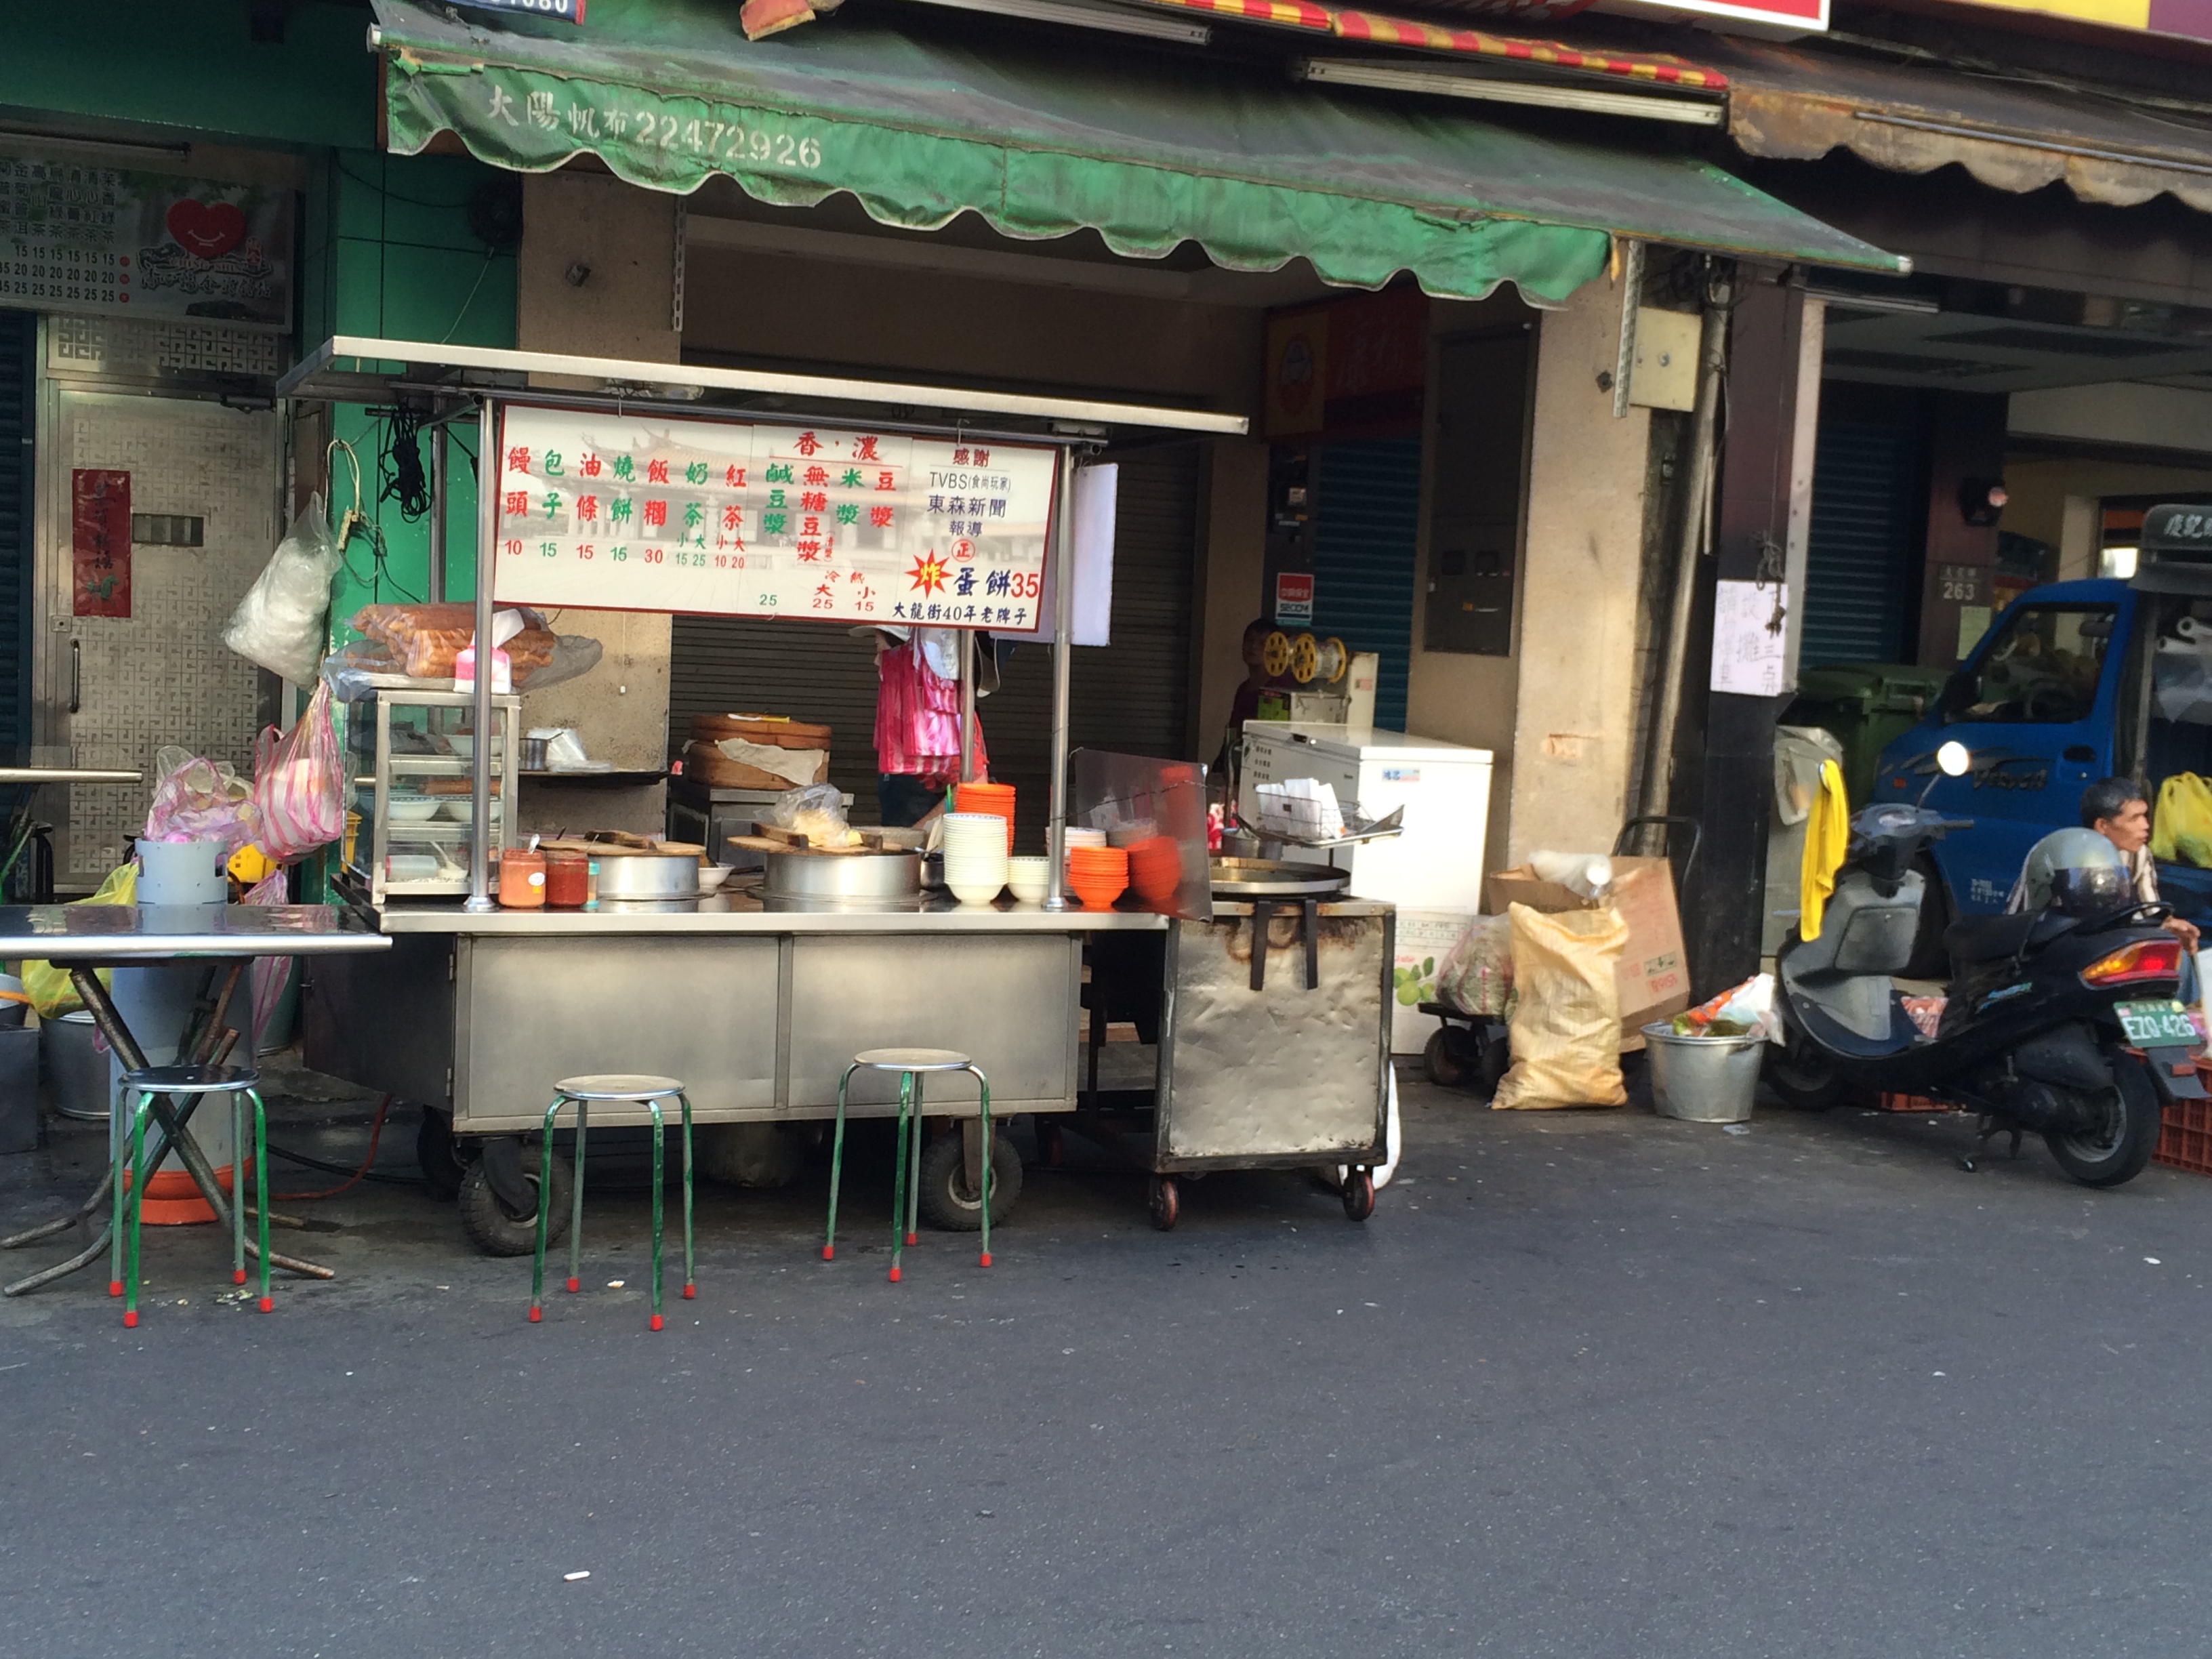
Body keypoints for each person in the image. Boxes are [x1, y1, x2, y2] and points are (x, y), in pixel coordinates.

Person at [2009, 777, 2200, 952]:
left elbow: (2149, 909)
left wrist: (2169, 925)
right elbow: (2028, 919)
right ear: (2103, 826)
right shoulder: (2060, 853)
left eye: (2144, 815)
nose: (2146, 825)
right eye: (2134, 818)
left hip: (2104, 945)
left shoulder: (2139, 854)